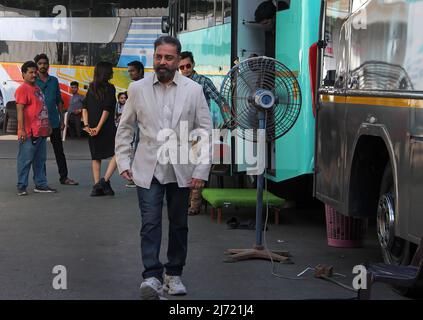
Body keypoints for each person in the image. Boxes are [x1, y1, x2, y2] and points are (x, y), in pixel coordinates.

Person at [115, 36, 212, 300]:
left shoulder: (193, 90)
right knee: (150, 223)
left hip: (182, 168)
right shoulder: (138, 88)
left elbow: (204, 131)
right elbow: (125, 128)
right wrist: (123, 161)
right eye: (158, 57)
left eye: (168, 58)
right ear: (154, 57)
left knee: (179, 223)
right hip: (148, 168)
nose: (162, 62)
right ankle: (152, 276)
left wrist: (201, 170)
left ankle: (174, 274)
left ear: (178, 60)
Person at [178, 51, 230, 216]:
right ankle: (182, 202)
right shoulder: (177, 84)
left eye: (188, 66)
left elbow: (219, 99)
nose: (185, 69)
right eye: (182, 67)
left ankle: (194, 205)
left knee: (195, 168)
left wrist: (228, 118)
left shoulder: (203, 82)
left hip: (199, 132)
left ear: (193, 65)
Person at [34, 53, 78, 186]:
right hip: (38, 123)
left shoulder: (54, 80)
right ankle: (41, 180)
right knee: (39, 153)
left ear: (48, 65)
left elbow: (59, 101)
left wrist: (61, 119)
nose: (43, 66)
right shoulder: (33, 81)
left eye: (45, 63)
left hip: (53, 121)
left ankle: (64, 177)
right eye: (40, 63)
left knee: (59, 150)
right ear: (36, 66)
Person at [15, 61, 57, 195]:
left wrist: (48, 124)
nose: (34, 74)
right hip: (29, 133)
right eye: (31, 72)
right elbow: (20, 110)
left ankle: (41, 185)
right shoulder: (22, 89)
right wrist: (21, 130)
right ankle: (21, 186)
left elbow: (42, 108)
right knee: (25, 160)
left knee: (40, 160)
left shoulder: (37, 88)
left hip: (41, 132)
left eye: (35, 72)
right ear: (23, 74)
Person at [82, 61, 118, 197]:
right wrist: (98, 127)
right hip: (106, 127)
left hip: (91, 127)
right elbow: (107, 109)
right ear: (106, 73)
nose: (112, 72)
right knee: (118, 152)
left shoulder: (91, 88)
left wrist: (87, 126)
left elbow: (84, 107)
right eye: (111, 70)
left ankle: (97, 185)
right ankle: (105, 181)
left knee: (96, 156)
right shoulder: (110, 88)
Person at [125, 60, 145, 188]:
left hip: (143, 122)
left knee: (139, 148)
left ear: (140, 71)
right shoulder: (133, 86)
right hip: (136, 122)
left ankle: (136, 177)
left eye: (132, 71)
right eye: (129, 71)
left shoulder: (145, 86)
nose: (130, 74)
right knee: (137, 147)